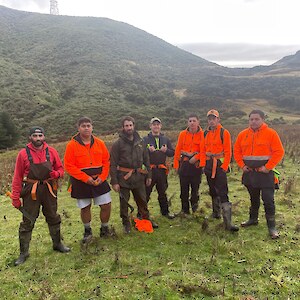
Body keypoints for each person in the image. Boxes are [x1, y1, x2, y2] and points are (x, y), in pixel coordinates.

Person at [11, 126, 70, 266]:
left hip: (49, 189)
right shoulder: (23, 154)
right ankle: (23, 253)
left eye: (40, 136)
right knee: (28, 220)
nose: (38, 138)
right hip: (31, 190)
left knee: (53, 216)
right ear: (30, 137)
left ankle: (57, 244)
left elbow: (61, 169)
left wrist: (58, 174)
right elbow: (17, 177)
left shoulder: (52, 151)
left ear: (44, 137)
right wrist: (15, 197)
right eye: (35, 136)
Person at [234, 110, 284, 239]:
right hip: (250, 174)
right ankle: (253, 219)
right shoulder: (242, 134)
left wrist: (268, 167)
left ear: (262, 119)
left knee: (268, 200)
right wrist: (242, 165)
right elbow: (237, 151)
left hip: (266, 175)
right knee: (253, 199)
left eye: (256, 119)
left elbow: (279, 152)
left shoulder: (271, 133)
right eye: (251, 119)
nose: (253, 121)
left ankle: (272, 227)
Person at [64, 117, 112, 243]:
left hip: (99, 180)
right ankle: (87, 231)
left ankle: (104, 229)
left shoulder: (100, 143)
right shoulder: (71, 145)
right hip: (81, 182)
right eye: (83, 126)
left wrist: (102, 177)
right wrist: (86, 179)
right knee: (85, 207)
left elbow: (106, 161)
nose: (86, 128)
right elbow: (69, 165)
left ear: (92, 127)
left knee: (106, 205)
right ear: (78, 128)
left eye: (88, 125)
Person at [110, 116, 158, 233]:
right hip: (123, 178)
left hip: (138, 177)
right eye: (126, 126)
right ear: (123, 127)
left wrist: (149, 175)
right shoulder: (118, 144)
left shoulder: (141, 142)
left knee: (142, 200)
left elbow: (146, 160)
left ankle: (146, 219)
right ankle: (126, 224)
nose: (129, 128)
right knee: (124, 203)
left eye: (130, 125)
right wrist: (114, 182)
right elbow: (112, 163)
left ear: (134, 126)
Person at [203, 109, 239, 231]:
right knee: (212, 190)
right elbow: (203, 150)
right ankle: (216, 213)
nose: (211, 121)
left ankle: (228, 223)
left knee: (223, 192)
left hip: (219, 165)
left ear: (218, 119)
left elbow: (228, 151)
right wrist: (204, 164)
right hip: (208, 165)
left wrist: (224, 167)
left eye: (214, 118)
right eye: (209, 119)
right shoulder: (205, 133)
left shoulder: (224, 133)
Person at [173, 114, 206, 214]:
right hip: (184, 166)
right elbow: (178, 150)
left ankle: (195, 209)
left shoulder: (203, 134)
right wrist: (176, 165)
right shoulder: (182, 134)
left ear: (198, 122)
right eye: (190, 121)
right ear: (188, 122)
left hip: (196, 166)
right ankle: (184, 210)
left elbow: (204, 150)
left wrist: (197, 157)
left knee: (195, 190)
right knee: (184, 190)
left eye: (194, 121)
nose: (192, 123)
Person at [143, 117, 175, 219]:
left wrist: (166, 151)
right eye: (154, 124)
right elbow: (140, 154)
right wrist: (148, 150)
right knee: (146, 192)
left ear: (160, 126)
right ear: (150, 126)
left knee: (162, 191)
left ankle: (165, 212)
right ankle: (142, 213)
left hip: (161, 170)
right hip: (149, 170)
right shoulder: (145, 140)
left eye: (158, 124)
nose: (156, 126)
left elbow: (172, 153)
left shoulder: (165, 139)